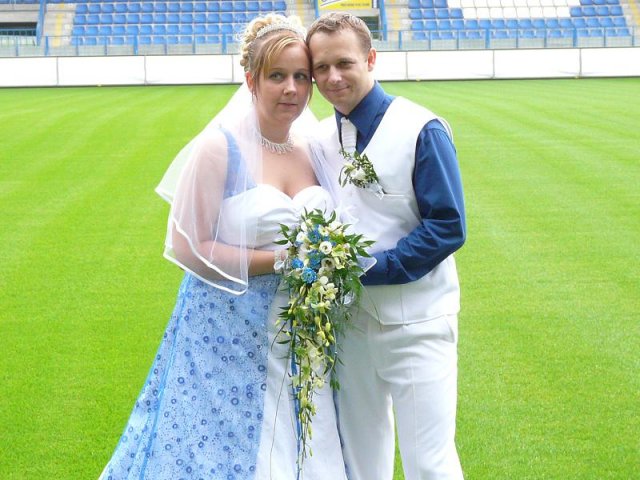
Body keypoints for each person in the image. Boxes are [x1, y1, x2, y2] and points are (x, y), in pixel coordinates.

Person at [99, 14, 348, 480]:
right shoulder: (219, 148)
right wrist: (283, 260)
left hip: (301, 332)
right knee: (213, 448)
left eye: (301, 76)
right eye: (277, 76)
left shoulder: (314, 149)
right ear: (251, 80)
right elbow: (189, 246)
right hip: (223, 330)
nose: (291, 89)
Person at [307, 12, 467, 480]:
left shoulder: (422, 128)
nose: (332, 78)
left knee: (430, 464)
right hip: (348, 326)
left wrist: (373, 268)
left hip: (418, 322)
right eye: (321, 68)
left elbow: (448, 225)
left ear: (371, 59)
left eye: (344, 63)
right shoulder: (319, 138)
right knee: (360, 461)